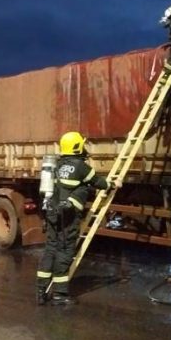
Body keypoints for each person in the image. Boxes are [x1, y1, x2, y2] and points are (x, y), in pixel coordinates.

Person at [37, 131, 120, 306]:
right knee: (65, 252)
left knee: (50, 249)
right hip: (67, 216)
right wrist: (113, 184)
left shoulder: (57, 165)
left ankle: (41, 291)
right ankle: (59, 294)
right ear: (77, 147)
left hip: (51, 213)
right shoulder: (80, 166)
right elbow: (98, 182)